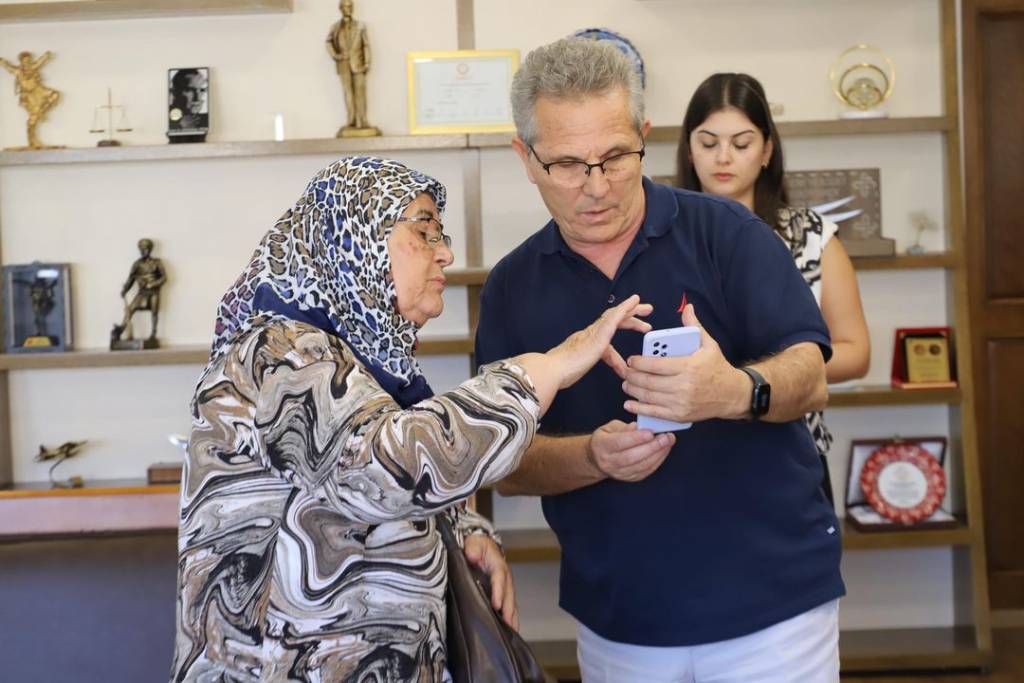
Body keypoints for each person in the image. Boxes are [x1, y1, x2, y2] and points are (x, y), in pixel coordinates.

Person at [170, 156, 652, 682]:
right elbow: (378, 467)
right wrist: (547, 367)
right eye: (423, 232)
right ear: (353, 242)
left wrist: (465, 528)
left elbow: (389, 461)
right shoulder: (275, 353)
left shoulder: (368, 364)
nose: (444, 252)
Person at [477, 38, 843, 682]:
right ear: (525, 159)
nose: (596, 187)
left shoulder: (727, 234)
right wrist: (590, 457)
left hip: (773, 605)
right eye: (566, 164)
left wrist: (734, 391)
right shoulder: (512, 287)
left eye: (615, 156)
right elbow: (507, 463)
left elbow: (810, 375)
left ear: (644, 136)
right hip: (623, 617)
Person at [676, 72, 870, 502]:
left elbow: (856, 352)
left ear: (767, 150)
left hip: (790, 455)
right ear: (689, 150)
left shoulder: (812, 237)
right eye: (708, 143)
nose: (723, 157)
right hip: (685, 458)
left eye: (741, 144)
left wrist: (755, 376)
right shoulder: (663, 234)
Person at [326, 0, 377, 135]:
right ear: (340, 9)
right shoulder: (335, 27)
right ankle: (351, 120)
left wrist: (367, 62)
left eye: (350, 6)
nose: (349, 9)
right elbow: (328, 42)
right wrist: (336, 55)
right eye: (346, 7)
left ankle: (363, 120)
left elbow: (366, 45)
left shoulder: (361, 26)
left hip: (358, 64)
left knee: (360, 92)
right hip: (343, 64)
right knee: (348, 92)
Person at [0, 50, 60, 149]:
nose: (27, 63)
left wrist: (45, 56)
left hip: (39, 90)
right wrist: (3, 62)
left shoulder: (33, 67)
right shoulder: (18, 71)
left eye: (28, 61)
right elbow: (9, 68)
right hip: (29, 95)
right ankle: (32, 140)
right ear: (21, 62)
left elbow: (40, 62)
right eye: (25, 61)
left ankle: (42, 112)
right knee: (33, 118)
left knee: (55, 95)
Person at [113, 238, 166, 343]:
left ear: (150, 250)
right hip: (142, 293)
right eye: (141, 249)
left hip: (154, 292)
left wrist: (152, 284)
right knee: (130, 309)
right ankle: (120, 330)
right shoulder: (137, 264)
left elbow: (164, 278)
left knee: (154, 313)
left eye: (146, 249)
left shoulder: (157, 262)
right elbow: (130, 279)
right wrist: (125, 290)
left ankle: (153, 335)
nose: (143, 251)